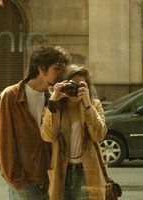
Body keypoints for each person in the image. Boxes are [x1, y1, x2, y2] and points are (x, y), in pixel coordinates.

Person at [0, 46, 70, 200]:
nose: (61, 73)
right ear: (42, 68)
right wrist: (18, 181)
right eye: (57, 68)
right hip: (25, 183)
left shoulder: (54, 97)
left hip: (51, 180)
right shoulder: (11, 96)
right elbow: (3, 143)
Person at [40, 64, 107, 200]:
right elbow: (48, 136)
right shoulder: (55, 107)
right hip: (62, 171)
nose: (75, 89)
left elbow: (99, 135)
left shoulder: (93, 105)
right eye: (72, 85)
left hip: (87, 171)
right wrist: (53, 100)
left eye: (80, 85)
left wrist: (87, 104)